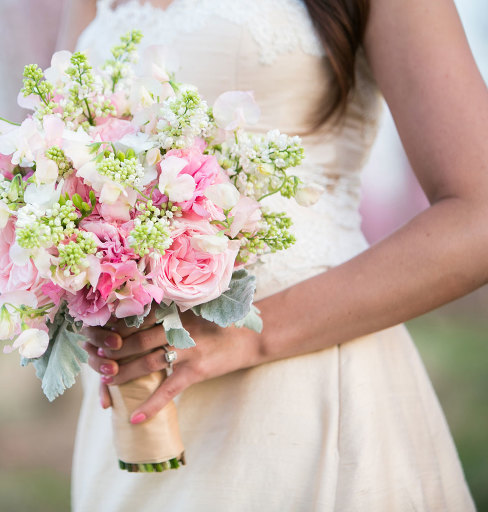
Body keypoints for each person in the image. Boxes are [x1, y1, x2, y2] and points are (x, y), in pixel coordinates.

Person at [57, 0, 485, 510]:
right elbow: (61, 152)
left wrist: (245, 339)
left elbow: (477, 215)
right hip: (135, 394)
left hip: (305, 372)